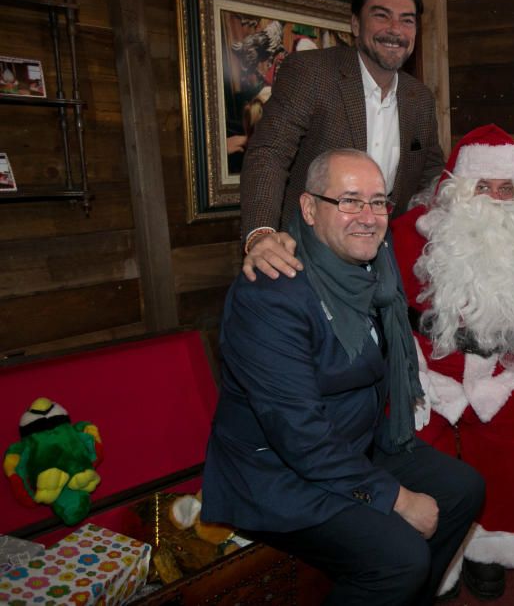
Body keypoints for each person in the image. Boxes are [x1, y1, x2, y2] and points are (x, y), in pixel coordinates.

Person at [201, 149, 484, 606]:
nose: (368, 217)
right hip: (278, 473)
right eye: (349, 201)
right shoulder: (272, 295)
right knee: (401, 557)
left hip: (347, 444)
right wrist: (397, 498)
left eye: (378, 202)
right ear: (310, 209)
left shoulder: (373, 269)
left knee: (463, 489)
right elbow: (299, 436)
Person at [391, 124, 514, 600]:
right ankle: (438, 549)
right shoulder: (411, 232)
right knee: (415, 438)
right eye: (481, 186)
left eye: (504, 187)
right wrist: (407, 375)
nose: (493, 197)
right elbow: (383, 310)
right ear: (458, 187)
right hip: (433, 363)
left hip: (505, 365)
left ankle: (492, 543)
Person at [240, 0, 444, 282]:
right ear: (355, 24)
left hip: (383, 266)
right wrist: (261, 235)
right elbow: (270, 151)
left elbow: (431, 177)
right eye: (382, 16)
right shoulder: (311, 73)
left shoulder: (420, 99)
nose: (395, 30)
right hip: (306, 261)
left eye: (407, 20)